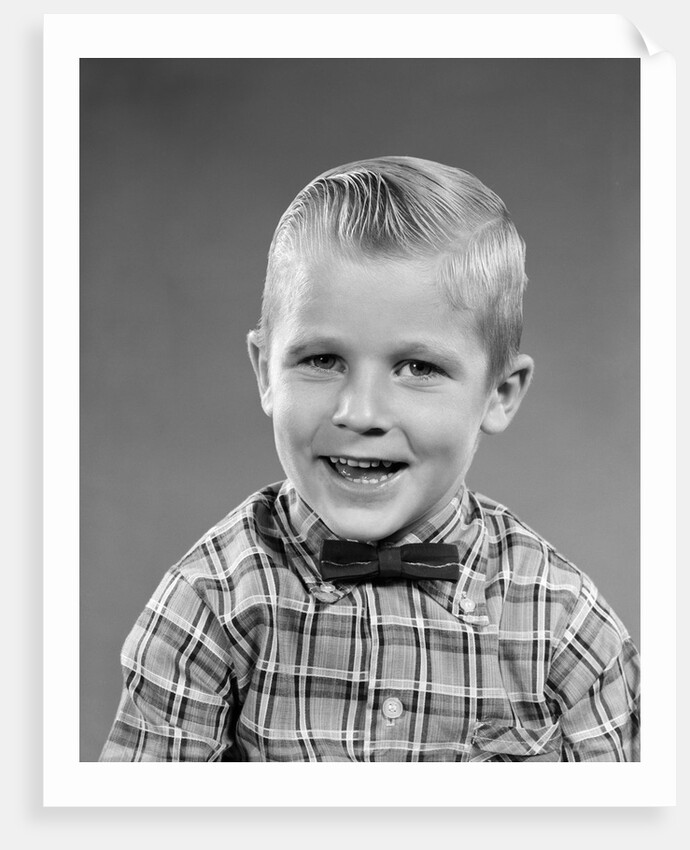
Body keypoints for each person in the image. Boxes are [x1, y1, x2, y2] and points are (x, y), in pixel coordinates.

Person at [100, 156, 640, 762]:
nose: (360, 412)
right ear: (264, 373)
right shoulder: (208, 607)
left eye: (418, 368)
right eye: (322, 359)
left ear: (499, 393)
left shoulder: (567, 629)